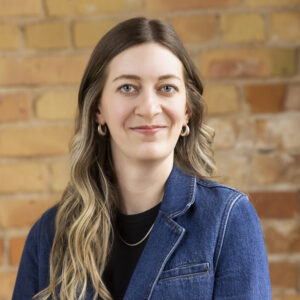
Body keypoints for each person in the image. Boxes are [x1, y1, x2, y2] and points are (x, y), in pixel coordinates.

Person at [12, 17, 271, 300]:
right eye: (127, 88)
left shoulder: (227, 219)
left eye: (167, 88)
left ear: (187, 110)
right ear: (99, 108)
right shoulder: (49, 236)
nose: (149, 108)